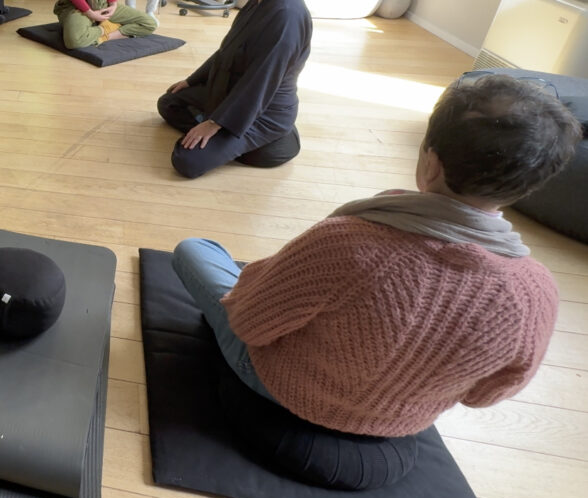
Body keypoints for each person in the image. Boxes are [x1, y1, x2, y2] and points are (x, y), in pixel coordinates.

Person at [171, 73, 581, 437]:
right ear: (530, 184)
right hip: (400, 423)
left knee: (196, 251)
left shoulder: (348, 241)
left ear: (431, 163)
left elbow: (248, 322)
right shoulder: (536, 292)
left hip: (279, 385)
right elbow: (485, 395)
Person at [157, 0, 312, 179]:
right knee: (169, 102)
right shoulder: (259, 0)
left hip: (262, 111)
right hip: (229, 92)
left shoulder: (287, 17)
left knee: (187, 160)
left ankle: (262, 140)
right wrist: (192, 80)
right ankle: (234, 143)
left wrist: (214, 123)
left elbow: (260, 83)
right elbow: (226, 51)